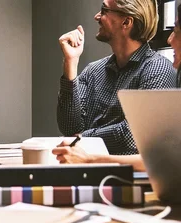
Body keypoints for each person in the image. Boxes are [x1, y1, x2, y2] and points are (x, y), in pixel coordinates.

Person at [53, 3, 181, 172]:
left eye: (104, 10)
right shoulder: (94, 70)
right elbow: (69, 128)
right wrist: (70, 63)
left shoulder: (157, 70)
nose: (97, 16)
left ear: (126, 22)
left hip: (129, 181)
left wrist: (82, 138)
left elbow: (132, 136)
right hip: (87, 174)